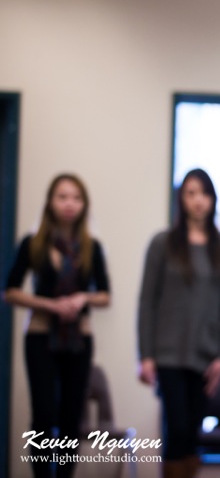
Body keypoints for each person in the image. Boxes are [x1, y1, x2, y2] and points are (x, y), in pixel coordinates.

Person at [4, 174, 111, 478]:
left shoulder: (92, 247)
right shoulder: (33, 243)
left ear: (84, 204)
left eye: (76, 198)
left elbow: (105, 295)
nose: (69, 204)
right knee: (43, 414)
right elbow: (10, 290)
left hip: (79, 338)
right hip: (40, 335)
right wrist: (51, 305)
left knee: (70, 417)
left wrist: (81, 298)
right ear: (51, 202)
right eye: (62, 197)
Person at [137, 168, 220, 478]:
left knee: (193, 432)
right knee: (176, 427)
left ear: (213, 199)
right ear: (180, 198)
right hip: (167, 353)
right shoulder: (162, 243)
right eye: (191, 193)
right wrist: (145, 356)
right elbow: (147, 302)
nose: (198, 201)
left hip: (206, 353)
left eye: (204, 193)